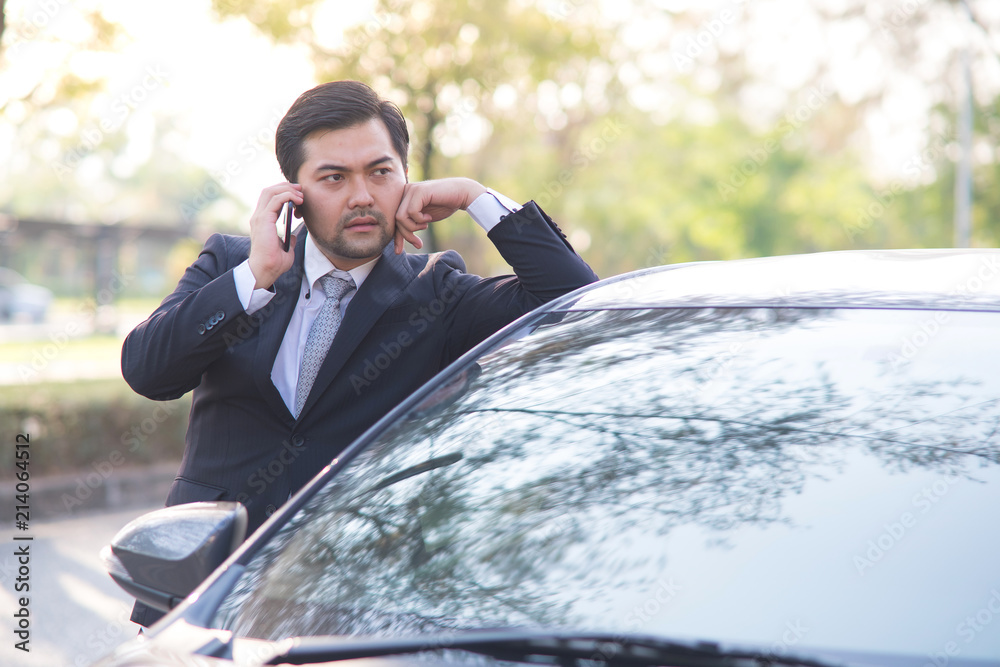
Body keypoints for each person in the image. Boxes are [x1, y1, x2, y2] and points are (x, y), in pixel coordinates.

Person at [121, 80, 598, 625]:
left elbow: (572, 301)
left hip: (357, 603)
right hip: (205, 592)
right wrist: (254, 277)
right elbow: (146, 370)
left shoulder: (437, 293)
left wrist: (474, 196)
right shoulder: (232, 266)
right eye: (334, 177)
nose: (362, 196)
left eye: (380, 171)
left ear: (405, 177)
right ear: (291, 197)